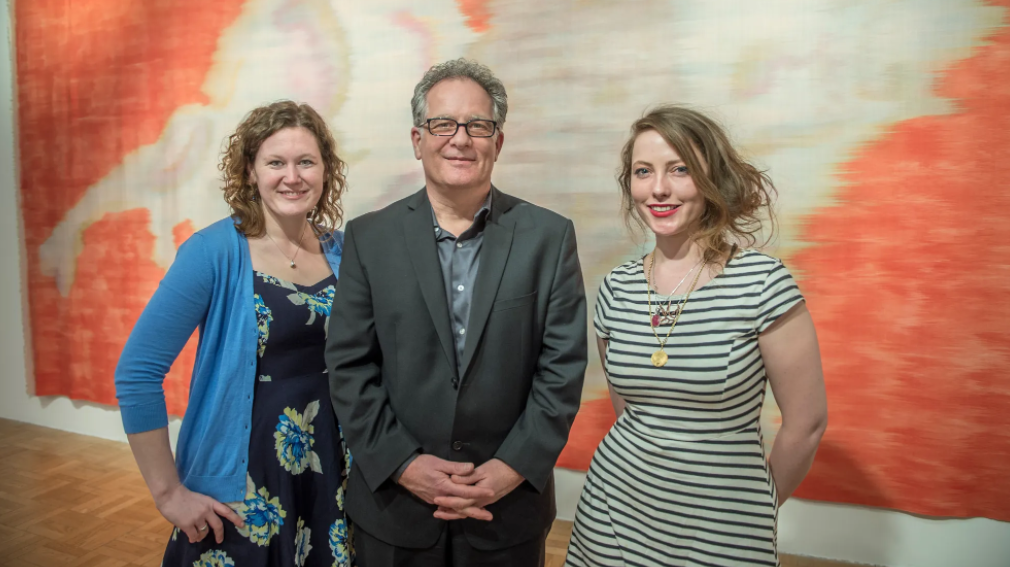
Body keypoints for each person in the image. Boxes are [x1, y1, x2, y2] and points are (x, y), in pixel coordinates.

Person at [325, 58, 588, 566]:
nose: (460, 139)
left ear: (499, 141)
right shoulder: (369, 238)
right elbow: (350, 364)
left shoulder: (548, 238)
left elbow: (562, 369)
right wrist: (402, 463)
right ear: (417, 139)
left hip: (507, 511)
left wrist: (512, 466)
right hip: (394, 508)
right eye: (443, 124)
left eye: (478, 126)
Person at [566, 106, 828, 567]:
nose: (659, 188)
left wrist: (752, 509)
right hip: (611, 519)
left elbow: (806, 425)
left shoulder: (762, 283)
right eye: (643, 172)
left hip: (723, 530)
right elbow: (633, 414)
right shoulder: (617, 287)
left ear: (712, 178)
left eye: (680, 169)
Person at [115, 101, 354, 567]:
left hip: (329, 470)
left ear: (326, 171)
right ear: (249, 172)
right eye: (275, 162)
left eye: (306, 161)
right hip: (242, 479)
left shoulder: (342, 250)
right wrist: (167, 494)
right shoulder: (212, 253)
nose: (293, 176)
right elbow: (137, 373)